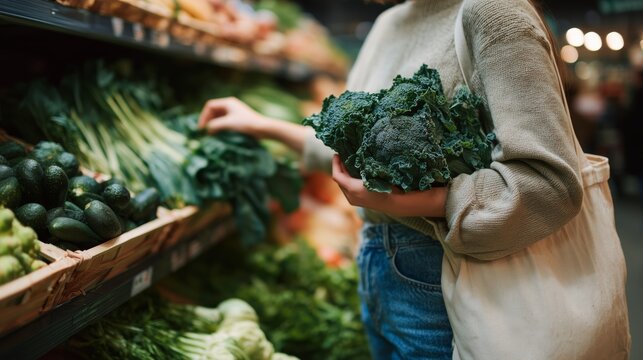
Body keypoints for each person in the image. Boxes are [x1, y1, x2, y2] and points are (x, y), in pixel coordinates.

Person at [198, 0, 587, 358]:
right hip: (375, 269)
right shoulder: (387, 24)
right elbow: (353, 141)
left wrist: (410, 202)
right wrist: (260, 125)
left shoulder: (493, 12)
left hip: (453, 279)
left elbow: (549, 185)